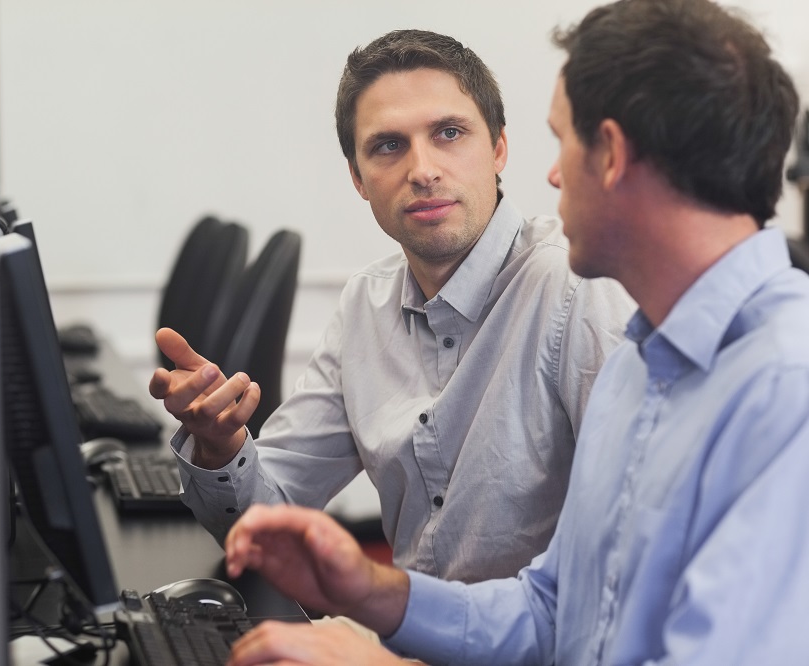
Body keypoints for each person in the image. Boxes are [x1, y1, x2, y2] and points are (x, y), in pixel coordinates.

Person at [222, 0, 809, 663]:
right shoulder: (641, 360)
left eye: (562, 141)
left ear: (611, 155)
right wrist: (375, 591)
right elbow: (555, 613)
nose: (553, 175)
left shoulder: (789, 387)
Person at [151, 29, 634, 585]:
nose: (423, 170)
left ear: (499, 148)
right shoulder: (367, 304)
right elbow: (264, 518)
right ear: (358, 178)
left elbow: (629, 555)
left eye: (449, 133)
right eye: (388, 145)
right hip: (405, 622)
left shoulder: (577, 287)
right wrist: (220, 446)